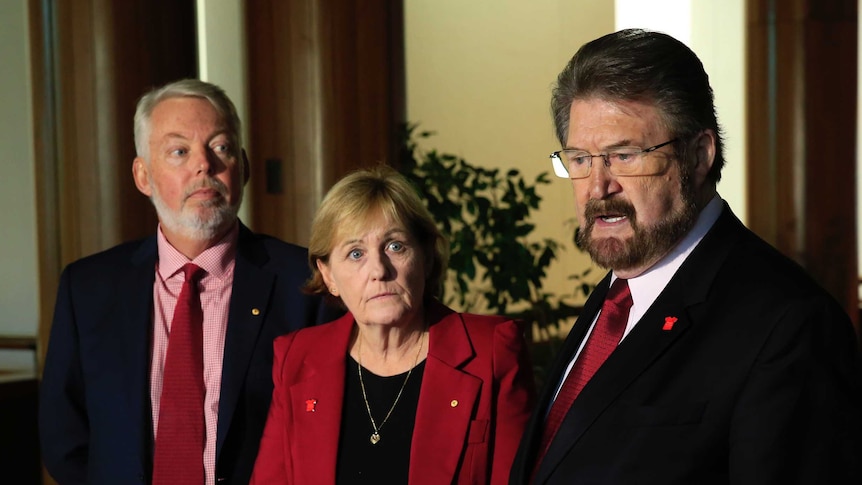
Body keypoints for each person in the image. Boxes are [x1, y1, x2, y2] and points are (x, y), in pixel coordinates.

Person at [509, 28, 862, 484]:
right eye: (580, 159)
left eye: (623, 155)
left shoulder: (789, 326)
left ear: (699, 156)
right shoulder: (616, 300)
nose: (598, 187)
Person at [39, 79, 336, 485]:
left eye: (221, 147)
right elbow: (64, 438)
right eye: (179, 151)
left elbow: (329, 432)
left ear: (243, 167)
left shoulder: (305, 283)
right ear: (143, 175)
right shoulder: (88, 288)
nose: (204, 165)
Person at [249, 165, 536, 484]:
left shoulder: (492, 351)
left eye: (395, 246)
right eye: (355, 253)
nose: (379, 270)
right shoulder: (297, 357)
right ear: (328, 275)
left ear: (426, 257)